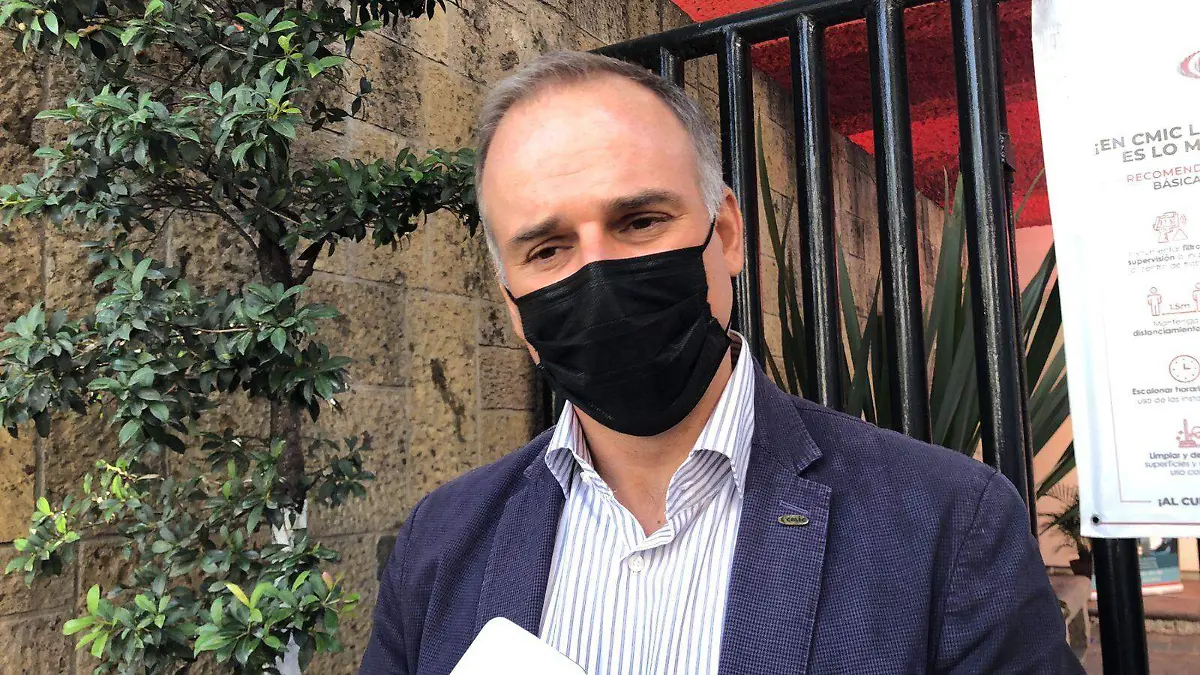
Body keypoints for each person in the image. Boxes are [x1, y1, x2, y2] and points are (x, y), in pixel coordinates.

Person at [361, 50, 1079, 675]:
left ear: (727, 234)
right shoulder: (439, 544)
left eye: (640, 221)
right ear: (514, 305)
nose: (598, 274)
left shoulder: (947, 525)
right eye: (547, 249)